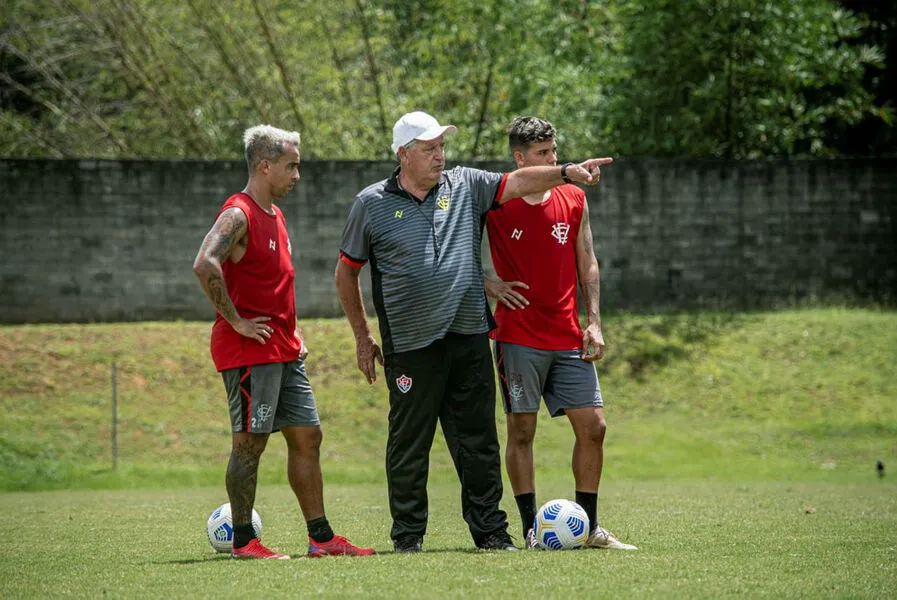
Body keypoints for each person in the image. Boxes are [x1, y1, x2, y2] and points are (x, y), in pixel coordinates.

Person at [334, 111, 611, 553]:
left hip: (468, 336)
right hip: (409, 345)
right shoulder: (371, 203)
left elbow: (518, 182)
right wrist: (363, 337)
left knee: (478, 440)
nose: (439, 156)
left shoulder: (465, 184)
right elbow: (346, 273)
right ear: (404, 155)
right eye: (429, 149)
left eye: (442, 147)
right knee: (409, 445)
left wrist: (564, 172)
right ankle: (408, 537)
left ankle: (492, 534)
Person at [193, 124, 374, 560]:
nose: (297, 174)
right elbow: (205, 263)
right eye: (291, 166)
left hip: (283, 349)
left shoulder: (276, 213)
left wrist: (293, 332)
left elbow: (274, 284)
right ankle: (243, 542)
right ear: (264, 165)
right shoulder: (239, 213)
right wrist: (235, 321)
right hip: (249, 352)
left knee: (308, 436)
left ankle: (322, 538)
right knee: (250, 443)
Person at [483, 116, 637, 550]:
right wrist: (487, 283)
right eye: (542, 155)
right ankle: (533, 530)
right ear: (520, 159)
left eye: (554, 152)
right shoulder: (494, 200)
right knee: (522, 433)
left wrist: (594, 320)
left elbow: (587, 259)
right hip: (516, 336)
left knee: (594, 427)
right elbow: (453, 248)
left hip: (569, 335)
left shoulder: (573, 198)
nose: (553, 160)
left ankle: (587, 529)